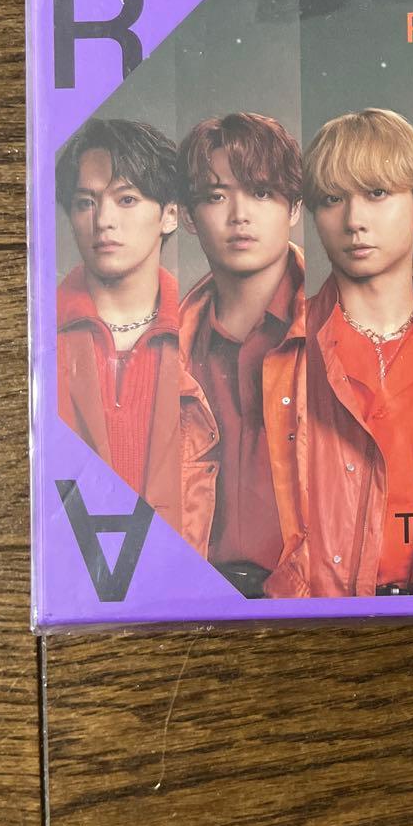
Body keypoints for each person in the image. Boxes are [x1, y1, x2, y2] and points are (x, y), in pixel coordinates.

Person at [176, 112, 307, 599]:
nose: (239, 215)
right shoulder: (170, 346)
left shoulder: (337, 325)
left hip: (312, 603)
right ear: (187, 216)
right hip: (195, 604)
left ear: (295, 208)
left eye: (262, 192)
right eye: (216, 196)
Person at [303, 109, 413, 597]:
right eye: (332, 199)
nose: (354, 221)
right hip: (325, 615)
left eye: (377, 193)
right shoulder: (288, 348)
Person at [55, 118, 183, 529]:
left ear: (170, 215)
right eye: (85, 203)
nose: (103, 220)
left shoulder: (201, 328)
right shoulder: (40, 337)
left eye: (126, 199)